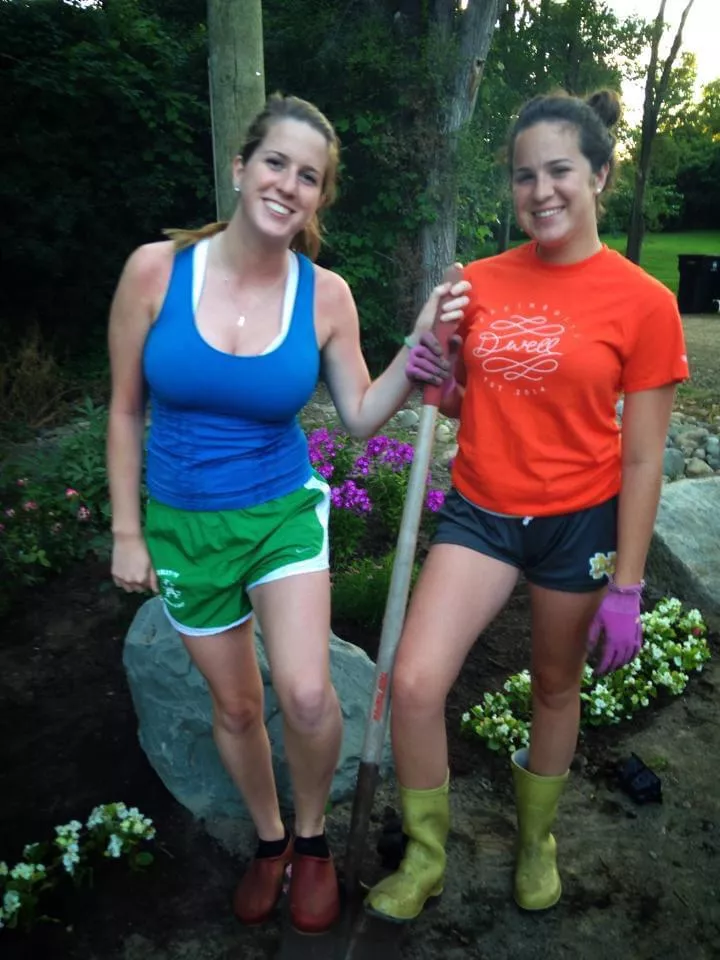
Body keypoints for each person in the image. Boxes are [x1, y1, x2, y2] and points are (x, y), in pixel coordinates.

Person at [107, 93, 468, 935]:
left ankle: (311, 840)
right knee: (236, 707)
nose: (288, 184)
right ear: (241, 168)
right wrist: (127, 530)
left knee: (306, 694)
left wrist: (418, 347)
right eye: (275, 163)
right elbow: (123, 409)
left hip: (281, 513)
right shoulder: (155, 273)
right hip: (184, 524)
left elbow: (360, 414)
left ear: (318, 198)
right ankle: (269, 839)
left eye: (309, 177)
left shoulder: (326, 296)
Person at [366, 89, 689, 921]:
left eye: (559, 171)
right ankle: (426, 854)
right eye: (523, 176)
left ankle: (536, 838)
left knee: (553, 685)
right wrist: (441, 378)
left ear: (600, 175)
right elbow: (471, 400)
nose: (540, 191)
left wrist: (627, 584)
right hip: (482, 512)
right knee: (414, 681)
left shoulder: (645, 304)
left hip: (579, 522)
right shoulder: (475, 284)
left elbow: (643, 456)